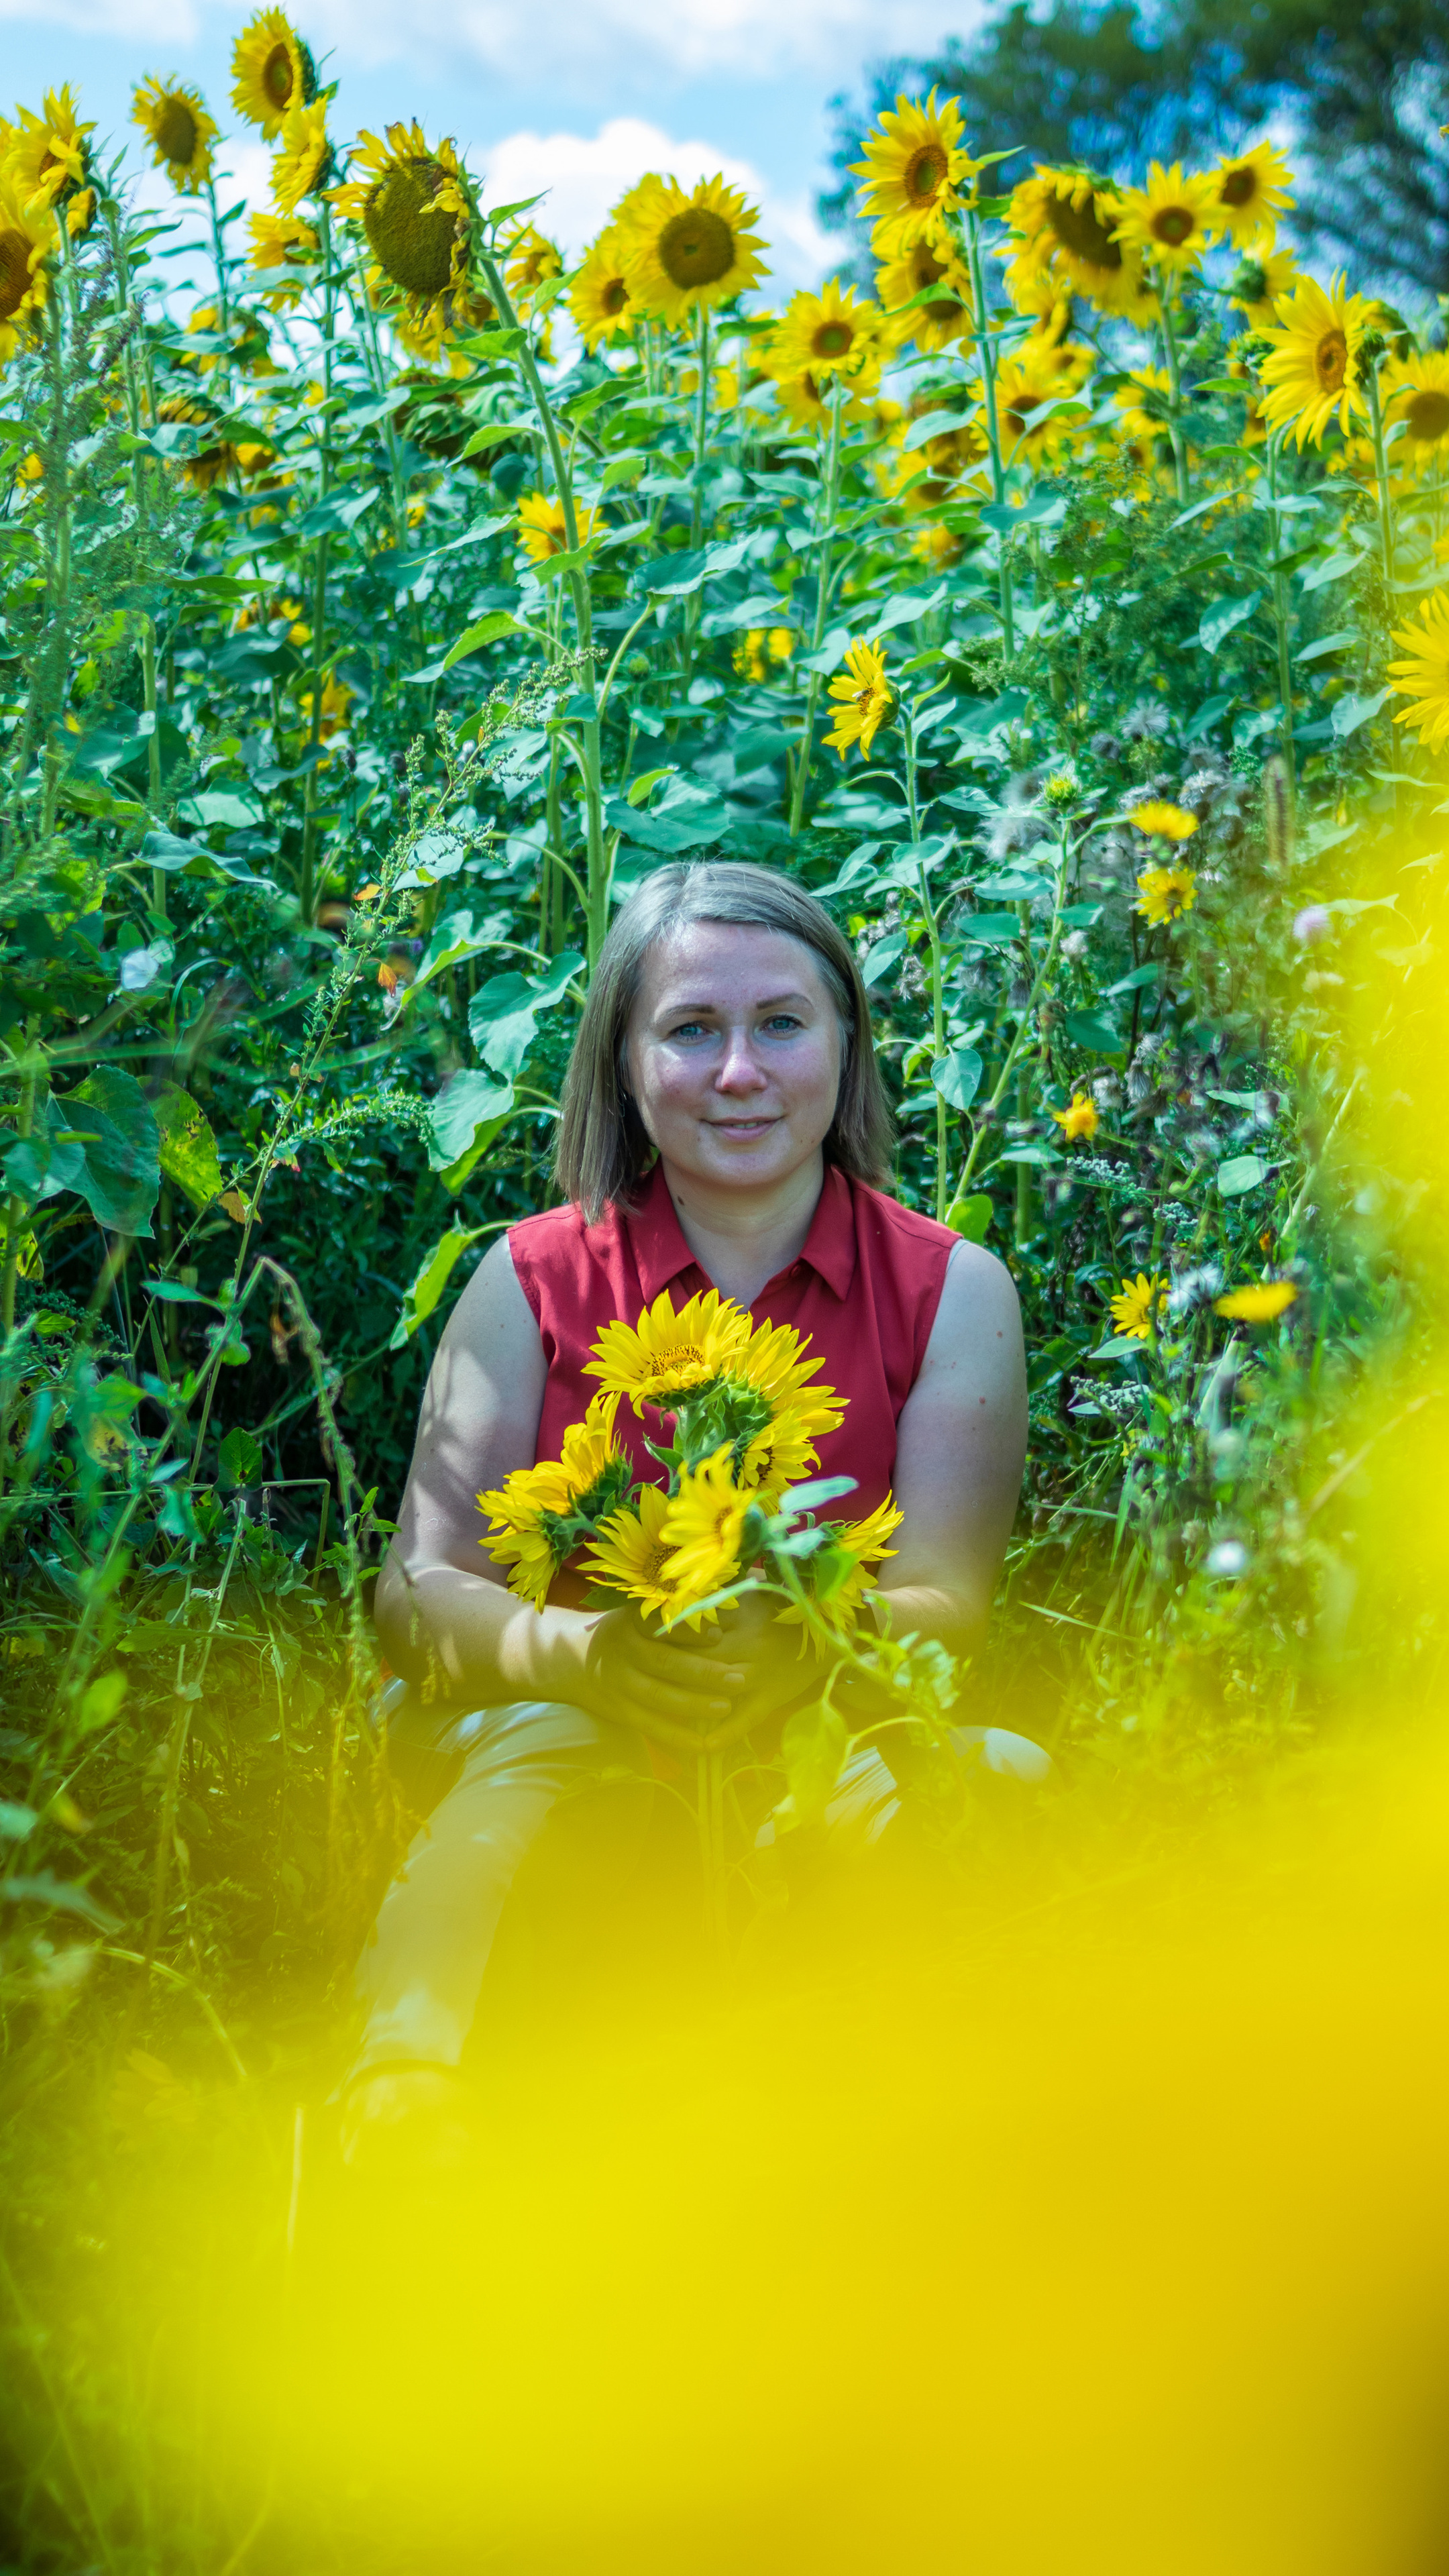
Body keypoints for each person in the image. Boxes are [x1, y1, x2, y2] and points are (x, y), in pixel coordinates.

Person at [348, 860, 1030, 2166]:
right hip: (558, 1726)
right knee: (548, 1751)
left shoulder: (951, 1290)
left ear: (844, 1045)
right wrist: (590, 1659)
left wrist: (803, 1644)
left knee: (996, 1779)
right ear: (623, 1061)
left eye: (780, 1023)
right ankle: (401, 2118)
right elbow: (414, 1594)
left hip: (824, 1725)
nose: (738, 1072)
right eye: (690, 1029)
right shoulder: (531, 1278)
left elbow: (947, 1611)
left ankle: (981, 2162)